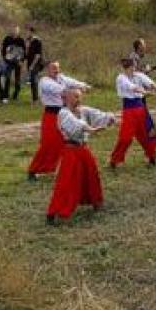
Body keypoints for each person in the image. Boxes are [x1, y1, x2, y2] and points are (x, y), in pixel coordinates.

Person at [46, 88, 115, 225]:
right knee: (66, 182)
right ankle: (54, 212)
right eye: (76, 97)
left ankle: (95, 201)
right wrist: (91, 129)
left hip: (83, 149)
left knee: (91, 175)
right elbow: (77, 125)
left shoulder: (83, 110)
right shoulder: (63, 113)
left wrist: (109, 118)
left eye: (79, 96)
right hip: (70, 151)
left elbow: (98, 115)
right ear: (66, 99)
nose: (79, 99)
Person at [28, 61, 90, 181]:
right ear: (47, 70)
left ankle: (60, 168)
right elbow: (60, 90)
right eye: (53, 68)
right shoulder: (44, 82)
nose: (56, 70)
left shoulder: (61, 78)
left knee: (67, 141)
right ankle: (33, 170)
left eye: (57, 68)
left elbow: (73, 82)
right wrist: (77, 90)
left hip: (64, 114)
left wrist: (84, 85)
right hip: (51, 115)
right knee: (48, 144)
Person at [110, 58, 156, 169]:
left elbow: (150, 83)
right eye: (131, 67)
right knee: (126, 137)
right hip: (129, 110)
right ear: (126, 68)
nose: (133, 69)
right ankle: (115, 159)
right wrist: (146, 92)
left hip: (141, 108)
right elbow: (132, 87)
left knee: (146, 133)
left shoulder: (139, 75)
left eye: (134, 66)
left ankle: (152, 156)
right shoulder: (121, 78)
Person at [1, 26, 26, 102]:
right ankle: (5, 96)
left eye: (16, 30)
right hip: (8, 62)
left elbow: (24, 51)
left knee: (17, 80)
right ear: (11, 30)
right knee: (7, 78)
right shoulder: (7, 39)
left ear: (18, 31)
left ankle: (16, 95)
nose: (14, 31)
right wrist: (5, 59)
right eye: (13, 30)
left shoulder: (21, 40)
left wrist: (22, 61)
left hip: (18, 63)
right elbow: (3, 49)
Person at [26, 27, 44, 104]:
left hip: (36, 63)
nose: (26, 33)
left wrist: (32, 65)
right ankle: (34, 98)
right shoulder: (28, 41)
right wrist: (27, 47)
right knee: (32, 81)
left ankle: (35, 99)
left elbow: (37, 55)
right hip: (29, 63)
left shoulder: (38, 41)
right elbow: (27, 54)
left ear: (32, 32)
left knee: (34, 80)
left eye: (28, 32)